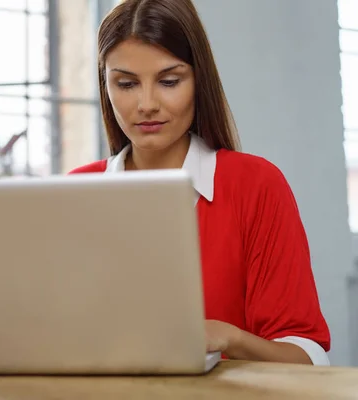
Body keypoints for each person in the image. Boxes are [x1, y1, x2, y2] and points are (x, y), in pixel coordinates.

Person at [69, 0, 331, 365]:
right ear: (106, 85)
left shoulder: (255, 185)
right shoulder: (75, 192)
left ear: (198, 80)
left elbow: (308, 358)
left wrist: (230, 337)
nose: (146, 104)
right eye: (126, 83)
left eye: (169, 81)